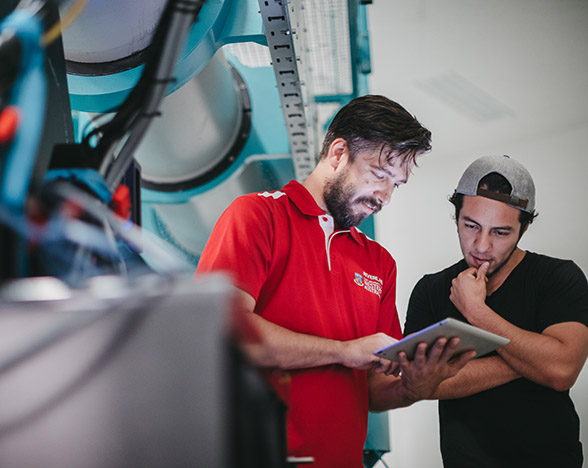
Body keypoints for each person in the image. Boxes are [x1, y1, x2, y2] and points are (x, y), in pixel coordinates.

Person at [195, 95, 474, 468]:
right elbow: (228, 335)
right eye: (379, 175)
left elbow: (374, 390)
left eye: (397, 184)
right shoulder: (257, 215)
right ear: (339, 152)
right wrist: (343, 351)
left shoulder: (379, 262)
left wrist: (414, 387)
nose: (386, 197)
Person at [404, 154, 588, 468]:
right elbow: (421, 384)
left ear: (524, 228)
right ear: (457, 215)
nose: (481, 245)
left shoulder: (559, 277)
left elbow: (560, 373)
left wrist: (477, 313)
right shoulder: (430, 290)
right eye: (470, 225)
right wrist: (532, 361)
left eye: (500, 233)